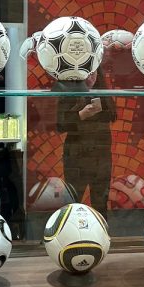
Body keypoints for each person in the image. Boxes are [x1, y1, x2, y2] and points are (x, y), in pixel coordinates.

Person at [56, 69, 115, 218]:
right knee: (73, 200)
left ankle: (101, 229)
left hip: (101, 155)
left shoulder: (102, 92)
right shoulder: (69, 93)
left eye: (93, 74)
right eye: (86, 74)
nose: (89, 78)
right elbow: (60, 125)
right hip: (76, 155)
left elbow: (113, 115)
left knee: (100, 202)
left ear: (98, 75)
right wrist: (81, 114)